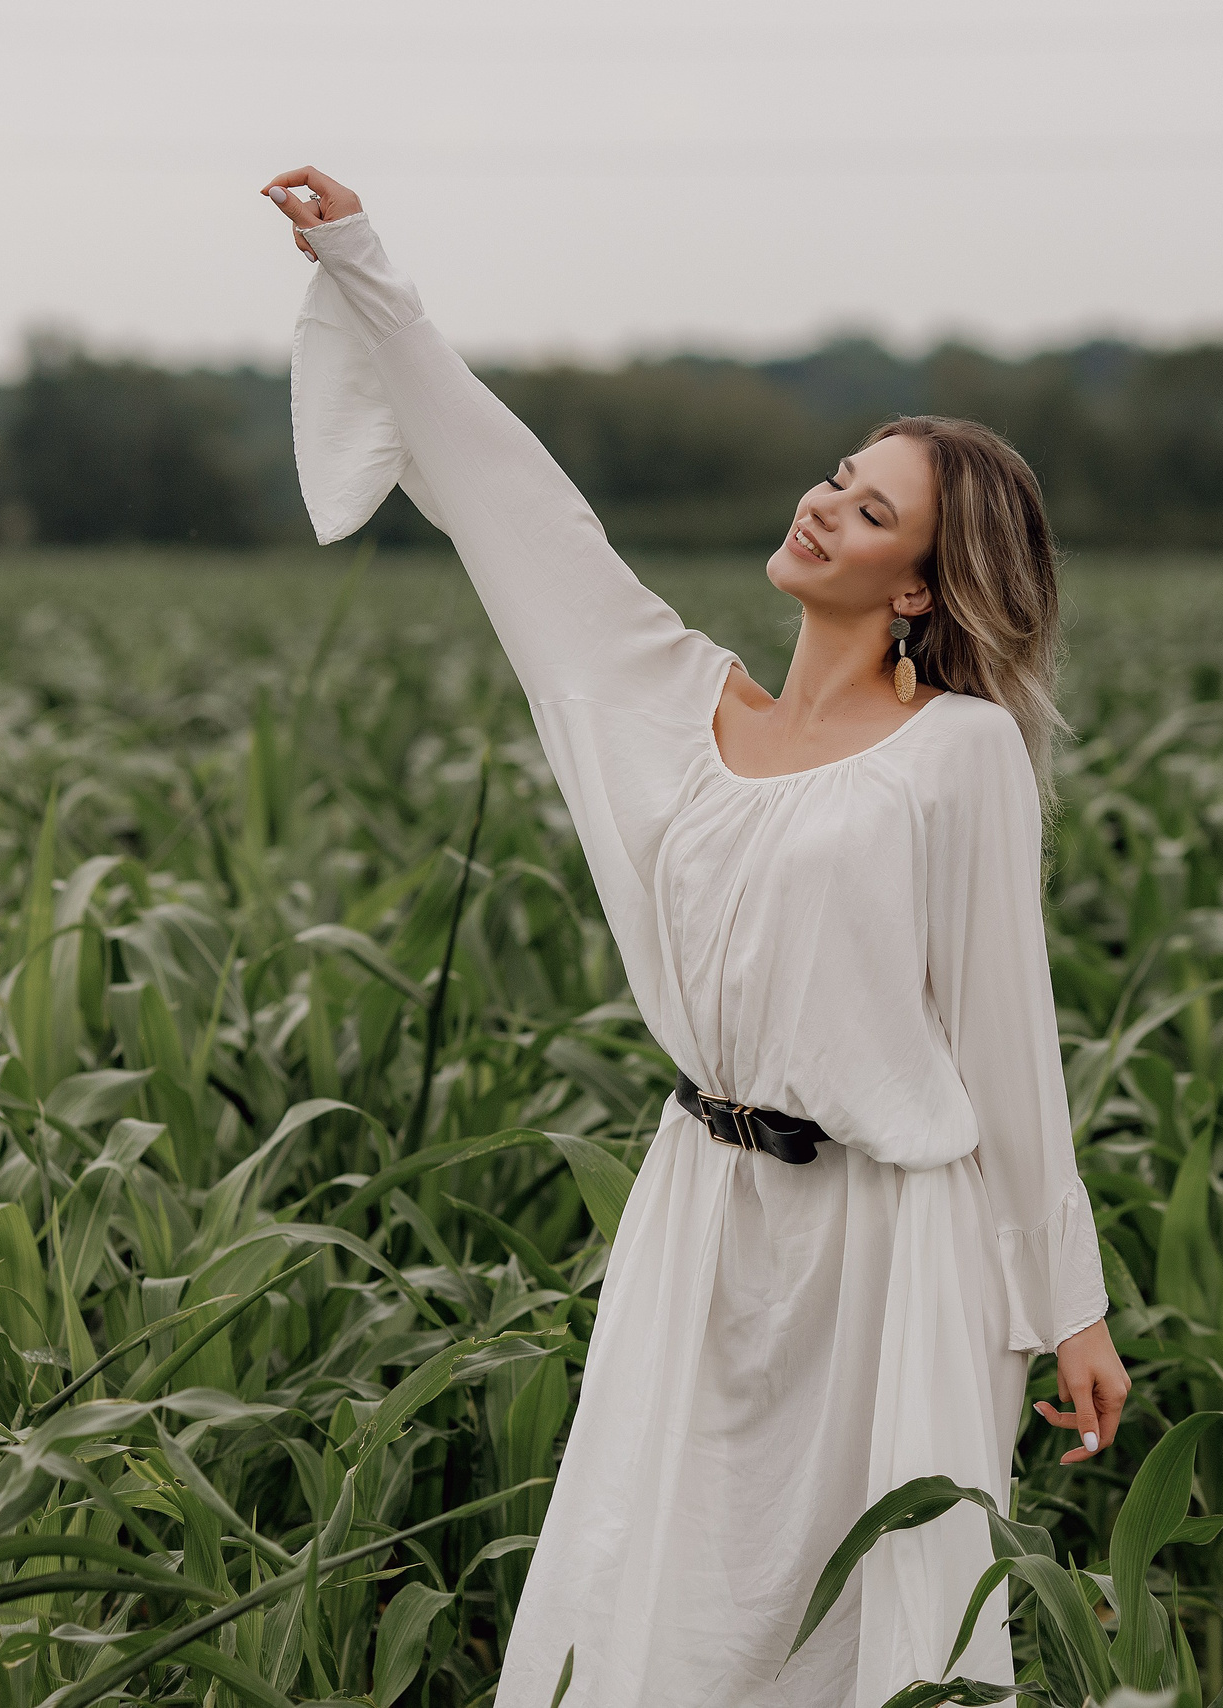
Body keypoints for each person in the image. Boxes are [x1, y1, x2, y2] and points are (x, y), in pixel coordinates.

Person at [266, 167, 1128, 1708]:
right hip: (702, 1212)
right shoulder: (671, 706)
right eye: (836, 473)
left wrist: (1067, 1304)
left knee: (867, 1623)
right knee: (648, 1578)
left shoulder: (959, 758)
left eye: (874, 511)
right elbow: (524, 510)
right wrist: (366, 269)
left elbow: (1009, 1036)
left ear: (921, 583)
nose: (825, 502)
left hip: (886, 1245)